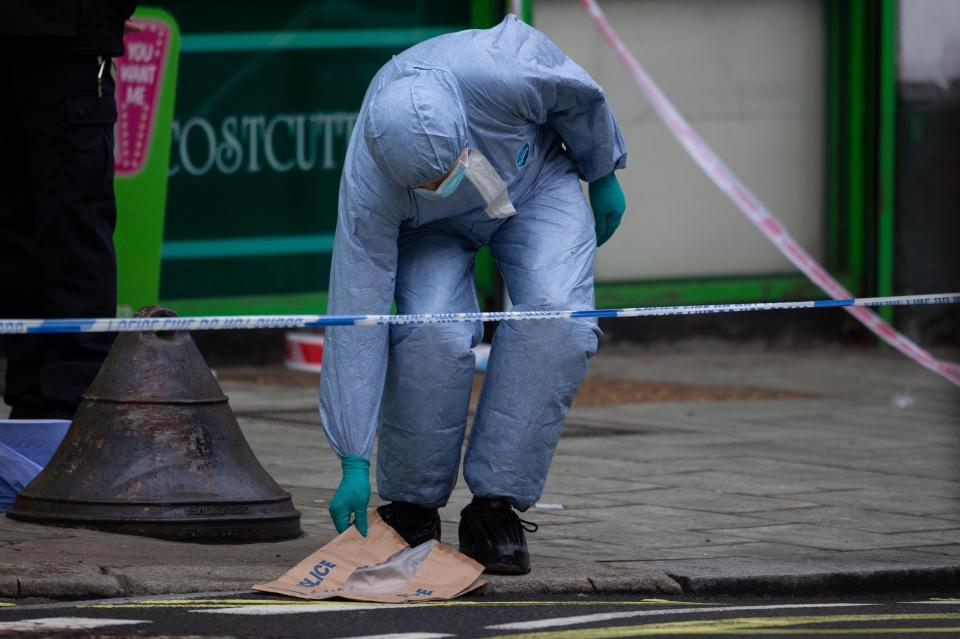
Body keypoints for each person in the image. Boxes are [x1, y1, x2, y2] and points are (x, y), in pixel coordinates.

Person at [319, 14, 627, 575]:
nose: (443, 188)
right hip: (430, 232)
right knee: (430, 329)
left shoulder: (502, 69)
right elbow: (356, 314)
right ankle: (411, 505)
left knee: (558, 315)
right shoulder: (368, 189)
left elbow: (577, 94)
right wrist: (352, 458)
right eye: (426, 185)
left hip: (534, 185)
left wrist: (601, 164)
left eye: (445, 173)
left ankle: (494, 508)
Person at [0, 1, 135, 419]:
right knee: (14, 239)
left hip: (71, 45)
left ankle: (75, 415)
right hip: (49, 40)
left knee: (72, 233)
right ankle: (32, 416)